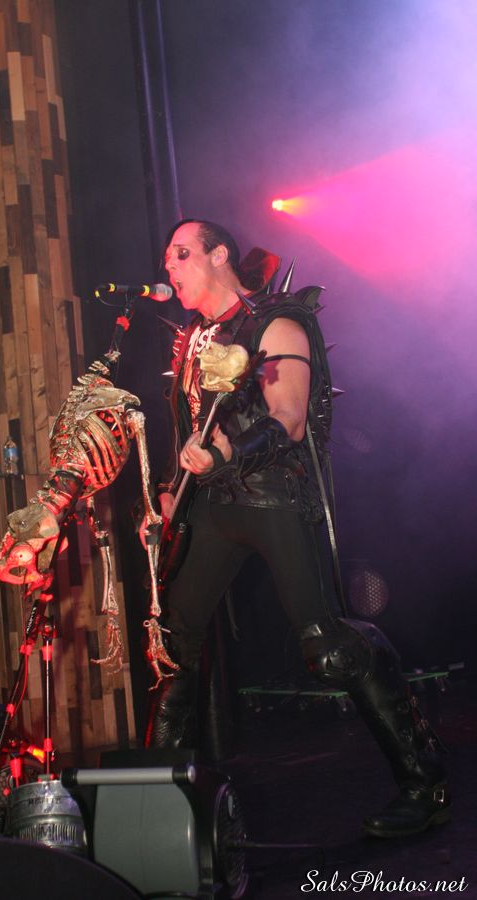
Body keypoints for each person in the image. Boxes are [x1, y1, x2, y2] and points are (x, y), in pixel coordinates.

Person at [143, 218, 449, 839]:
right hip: (211, 504)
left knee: (329, 648)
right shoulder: (194, 340)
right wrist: (172, 497)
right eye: (167, 258)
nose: (169, 266)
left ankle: (425, 784)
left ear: (220, 255)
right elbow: (192, 431)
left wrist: (227, 453)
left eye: (182, 253)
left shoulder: (277, 322)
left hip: (274, 496)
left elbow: (288, 418)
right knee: (173, 643)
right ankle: (154, 804)